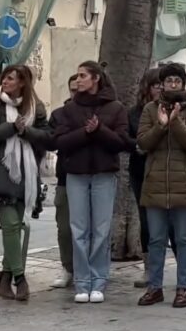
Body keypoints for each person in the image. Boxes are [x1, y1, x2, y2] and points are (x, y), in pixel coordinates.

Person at [55, 61, 128, 304]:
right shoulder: (70, 108)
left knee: (101, 229)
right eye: (77, 76)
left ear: (96, 78)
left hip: (104, 173)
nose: (78, 80)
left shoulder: (115, 107)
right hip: (76, 173)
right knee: (79, 229)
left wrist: (99, 131)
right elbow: (60, 142)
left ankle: (98, 281)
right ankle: (82, 282)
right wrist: (86, 133)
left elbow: (121, 142)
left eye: (83, 75)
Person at [0, 65, 49, 301]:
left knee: (16, 227)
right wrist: (11, 127)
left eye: (11, 79)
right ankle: (20, 278)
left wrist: (25, 132)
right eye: (5, 77)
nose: (5, 81)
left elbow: (47, 138)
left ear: (23, 84)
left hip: (25, 177)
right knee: (10, 226)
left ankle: (5, 278)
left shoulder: (34, 108)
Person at [137, 63, 186, 308]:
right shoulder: (150, 110)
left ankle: (183, 287)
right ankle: (155, 287)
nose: (173, 85)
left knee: (184, 239)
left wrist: (175, 123)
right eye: (168, 81)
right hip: (155, 183)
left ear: (183, 83)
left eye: (177, 80)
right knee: (155, 239)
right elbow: (143, 143)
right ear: (161, 84)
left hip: (183, 183)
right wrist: (161, 125)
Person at [128, 68, 177, 289]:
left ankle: (182, 267)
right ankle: (150, 269)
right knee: (147, 222)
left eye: (162, 84)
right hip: (143, 172)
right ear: (147, 87)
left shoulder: (179, 109)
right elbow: (133, 139)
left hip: (171, 172)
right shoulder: (136, 112)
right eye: (155, 85)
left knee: (176, 223)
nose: (160, 88)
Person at [47, 74, 78, 289]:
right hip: (65, 177)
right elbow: (50, 141)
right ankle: (68, 267)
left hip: (89, 176)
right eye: (73, 89)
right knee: (65, 227)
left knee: (90, 228)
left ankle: (89, 269)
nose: (77, 92)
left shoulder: (96, 112)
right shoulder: (59, 114)